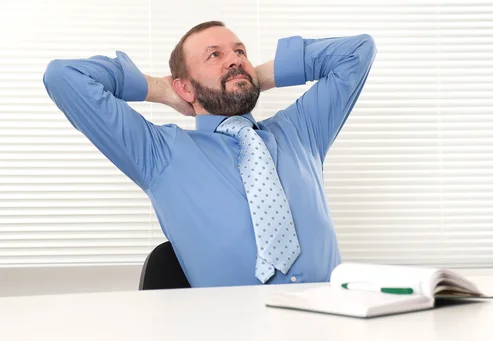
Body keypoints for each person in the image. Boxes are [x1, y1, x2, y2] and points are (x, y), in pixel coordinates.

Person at [43, 21, 377, 287]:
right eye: (214, 55)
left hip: (333, 321)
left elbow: (357, 52)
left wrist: (254, 77)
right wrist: (162, 90)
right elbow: (64, 77)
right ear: (185, 87)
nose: (235, 59)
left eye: (240, 52)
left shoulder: (301, 131)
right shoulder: (159, 153)